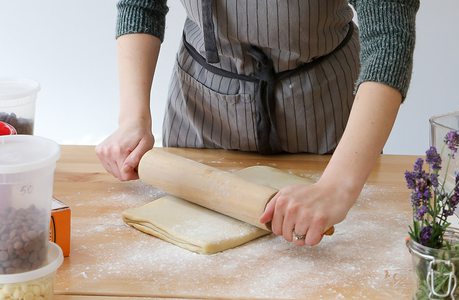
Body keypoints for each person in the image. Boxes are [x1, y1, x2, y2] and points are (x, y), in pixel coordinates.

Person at [96, 0, 419, 247]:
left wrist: (337, 186)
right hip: (200, 110)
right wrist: (132, 118)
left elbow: (389, 38)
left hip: (324, 121)